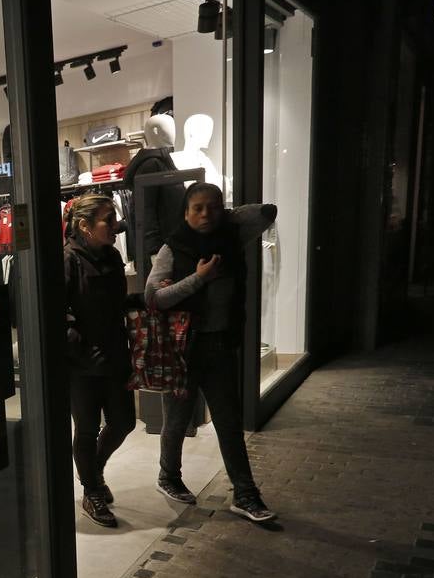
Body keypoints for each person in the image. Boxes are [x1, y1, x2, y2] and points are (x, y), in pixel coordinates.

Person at [145, 182, 278, 523]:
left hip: (219, 345)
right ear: (185, 212)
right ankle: (168, 477)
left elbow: (267, 212)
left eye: (213, 207)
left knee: (228, 423)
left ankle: (245, 493)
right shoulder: (172, 248)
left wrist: (227, 217)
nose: (205, 214)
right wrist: (198, 278)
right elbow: (154, 298)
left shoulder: (232, 240)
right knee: (176, 420)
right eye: (197, 208)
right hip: (182, 349)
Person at [64, 195, 143, 528]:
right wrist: (80, 349)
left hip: (114, 354)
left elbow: (115, 303)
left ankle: (93, 472)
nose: (115, 226)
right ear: (85, 226)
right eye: (107, 220)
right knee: (85, 429)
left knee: (123, 421)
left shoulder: (111, 255)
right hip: (82, 364)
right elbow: (58, 312)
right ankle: (91, 490)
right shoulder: (67, 260)